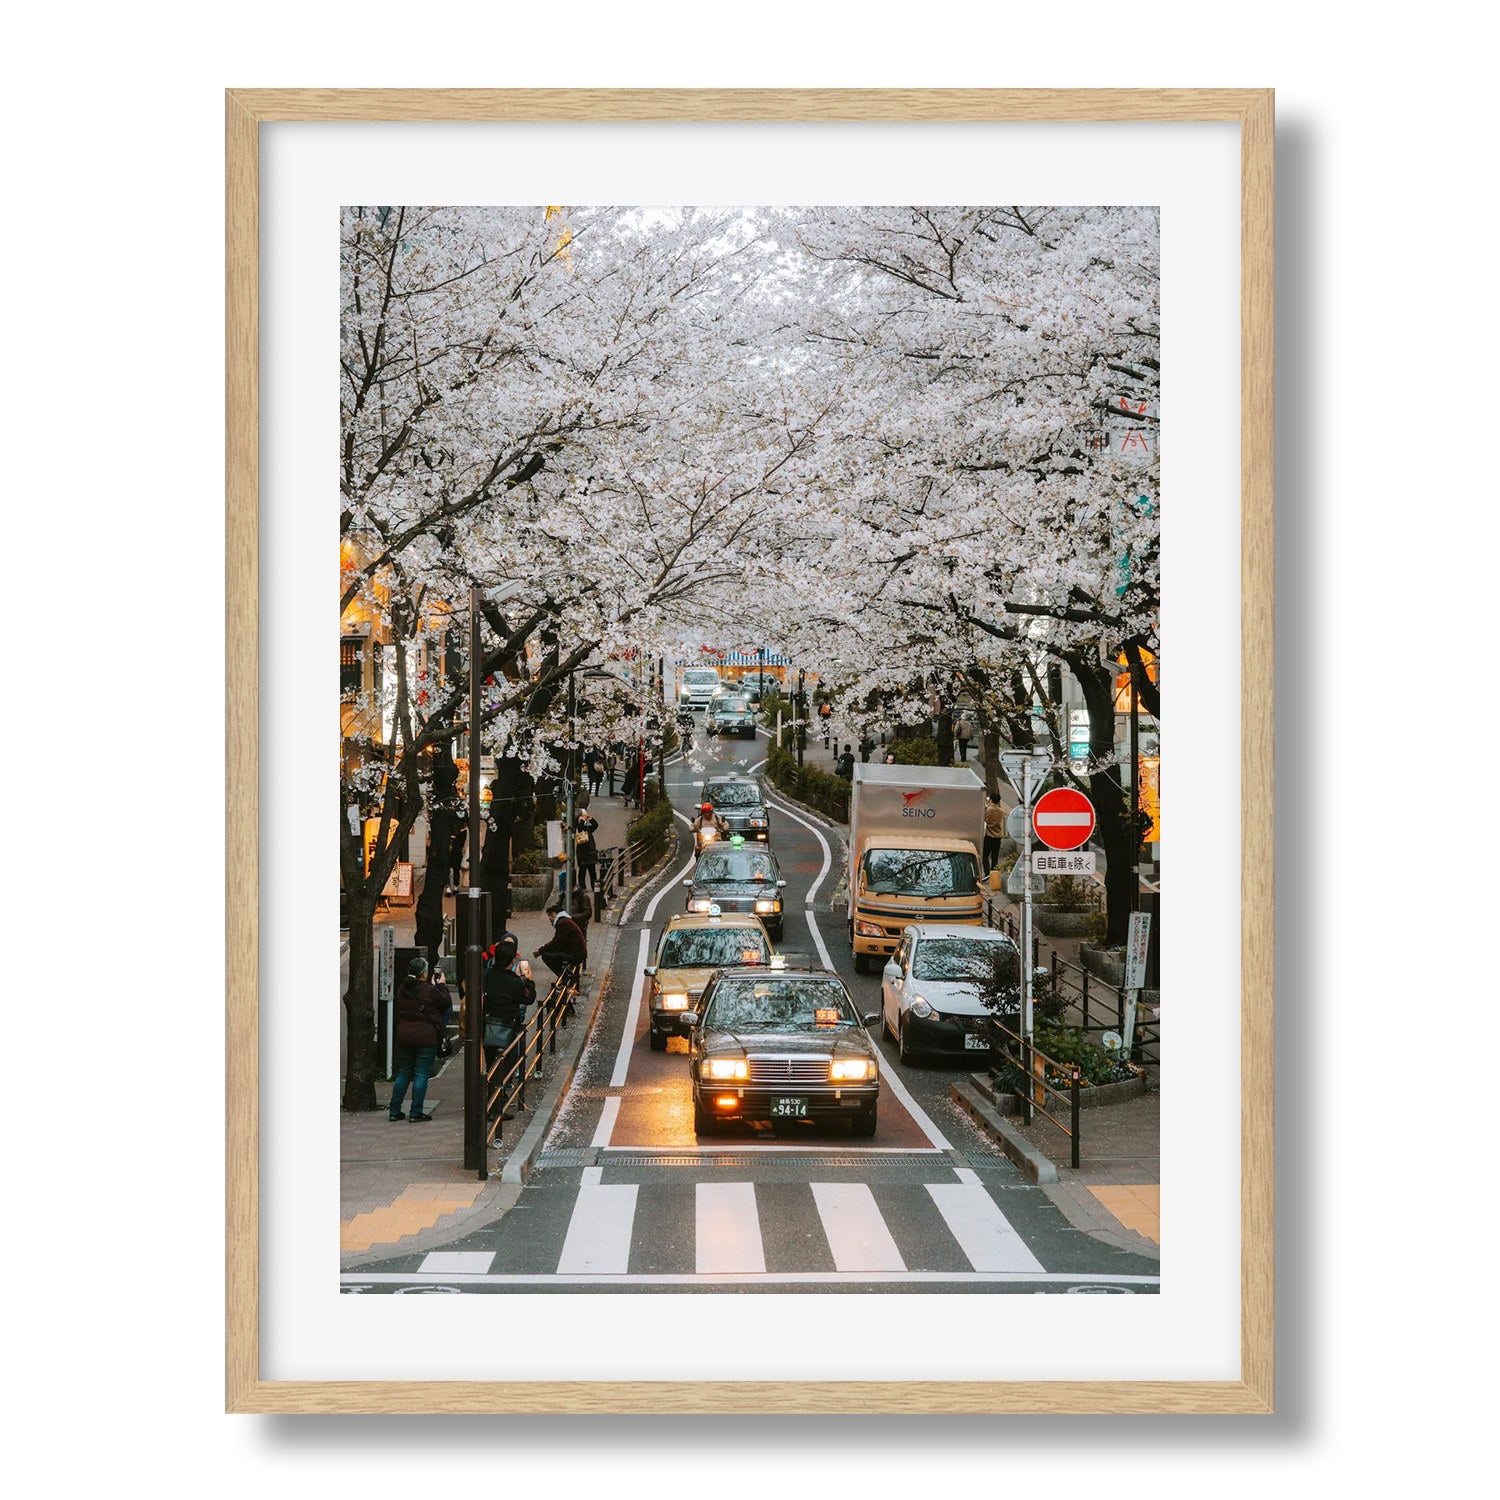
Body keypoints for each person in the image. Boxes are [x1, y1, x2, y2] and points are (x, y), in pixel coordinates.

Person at [483, 934, 536, 1119]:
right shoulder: (514, 982)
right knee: (506, 1067)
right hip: (507, 1027)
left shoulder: (488, 975)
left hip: (488, 1026)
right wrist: (529, 979)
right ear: (513, 960)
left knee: (492, 1066)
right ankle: (495, 1108)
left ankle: (493, 1103)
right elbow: (528, 998)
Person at [388, 957, 445, 1122]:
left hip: (404, 1035)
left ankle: (394, 1110)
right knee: (421, 1074)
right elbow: (445, 1002)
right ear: (423, 974)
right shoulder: (429, 990)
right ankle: (415, 1112)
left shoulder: (402, 989)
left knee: (403, 1073)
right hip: (425, 1037)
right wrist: (441, 985)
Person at [535, 901, 588, 985]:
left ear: (557, 914)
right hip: (576, 951)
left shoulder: (562, 923)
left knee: (546, 956)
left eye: (551, 915)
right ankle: (566, 976)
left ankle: (567, 977)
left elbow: (556, 942)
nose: (550, 918)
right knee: (551, 953)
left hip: (576, 954)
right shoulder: (565, 921)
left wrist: (541, 950)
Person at [573, 808, 601, 892]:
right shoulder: (578, 826)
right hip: (582, 853)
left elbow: (595, 825)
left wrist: (591, 819)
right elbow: (580, 829)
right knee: (582, 872)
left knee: (592, 872)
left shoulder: (587, 827)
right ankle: (583, 887)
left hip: (590, 853)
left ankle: (594, 887)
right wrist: (581, 820)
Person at [983, 793, 1006, 875]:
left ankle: (987, 873)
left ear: (991, 800)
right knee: (995, 857)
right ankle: (993, 874)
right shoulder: (1001, 811)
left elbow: (986, 820)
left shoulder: (988, 810)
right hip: (998, 837)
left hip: (989, 836)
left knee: (984, 856)